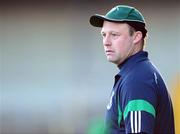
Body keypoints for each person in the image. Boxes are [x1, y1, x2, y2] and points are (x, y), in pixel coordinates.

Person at [89, 5, 175, 134]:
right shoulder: (135, 74)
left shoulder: (137, 80)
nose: (106, 42)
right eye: (104, 35)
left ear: (136, 37)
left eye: (114, 35)